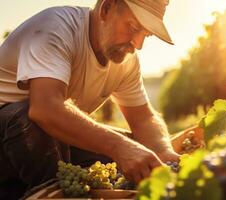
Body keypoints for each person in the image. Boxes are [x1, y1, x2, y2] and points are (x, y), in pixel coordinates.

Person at [0, 0, 179, 198]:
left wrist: (164, 152)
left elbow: (144, 118)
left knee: (137, 149)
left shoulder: (126, 61)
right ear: (106, 8)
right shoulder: (54, 29)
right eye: (133, 27)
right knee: (27, 118)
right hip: (11, 137)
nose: (138, 44)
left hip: (49, 145)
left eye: (146, 34)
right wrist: (119, 147)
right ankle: (53, 193)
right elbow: (45, 108)